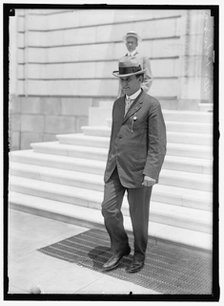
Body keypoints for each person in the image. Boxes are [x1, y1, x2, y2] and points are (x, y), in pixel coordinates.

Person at [101, 56, 166, 273]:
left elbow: (158, 143)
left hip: (139, 172)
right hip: (116, 169)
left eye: (129, 79)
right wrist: (109, 165)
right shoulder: (118, 104)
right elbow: (114, 137)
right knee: (108, 209)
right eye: (122, 80)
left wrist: (151, 172)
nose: (124, 84)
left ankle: (139, 254)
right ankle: (120, 247)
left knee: (139, 218)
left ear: (140, 78)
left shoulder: (151, 104)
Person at [118, 31, 153, 97]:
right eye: (128, 42)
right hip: (125, 96)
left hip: (138, 95)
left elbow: (148, 78)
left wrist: (139, 92)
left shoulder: (143, 58)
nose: (130, 44)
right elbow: (121, 81)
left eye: (132, 42)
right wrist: (119, 97)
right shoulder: (122, 60)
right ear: (126, 44)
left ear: (136, 44)